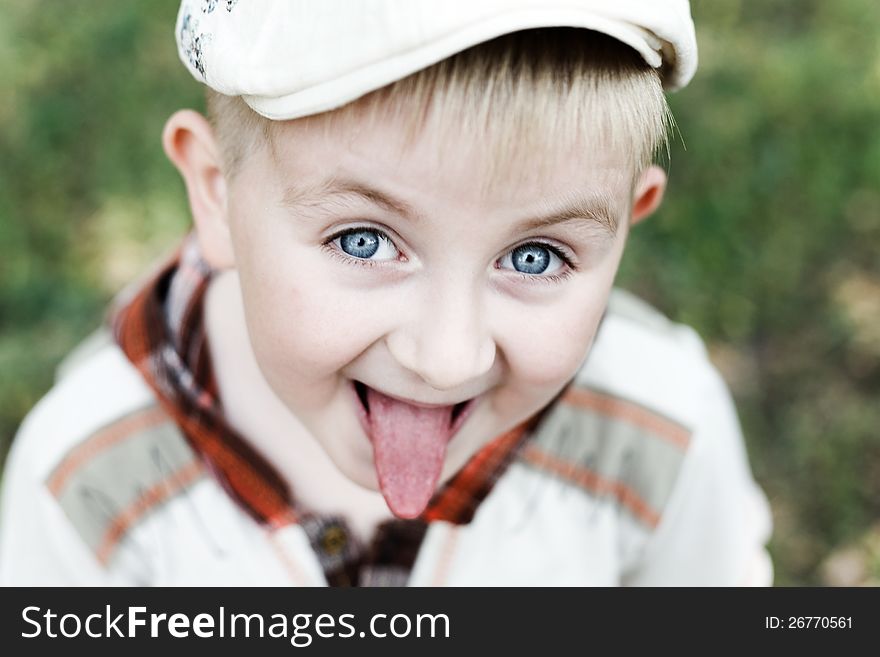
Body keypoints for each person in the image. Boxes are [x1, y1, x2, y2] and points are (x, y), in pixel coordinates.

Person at [0, 0, 773, 586]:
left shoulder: (661, 435)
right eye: (363, 241)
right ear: (218, 194)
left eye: (535, 256)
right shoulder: (85, 483)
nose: (446, 357)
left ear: (627, 224)